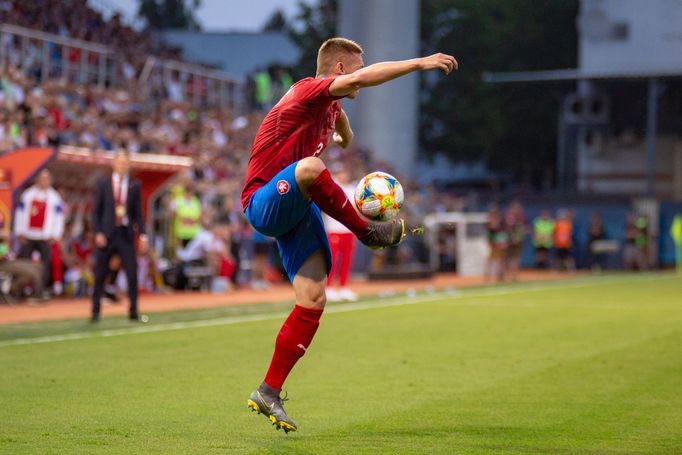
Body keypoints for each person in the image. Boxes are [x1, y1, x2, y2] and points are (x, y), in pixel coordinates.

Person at [243, 37, 457, 432]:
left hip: (296, 211)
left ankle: (268, 390)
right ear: (340, 70)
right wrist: (420, 63)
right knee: (310, 167)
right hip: (263, 201)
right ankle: (368, 233)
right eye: (358, 67)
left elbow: (345, 132)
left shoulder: (332, 107)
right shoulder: (308, 89)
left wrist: (342, 135)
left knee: (313, 299)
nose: (363, 73)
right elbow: (369, 80)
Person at [90, 152, 148, 323]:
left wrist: (143, 234)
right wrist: (98, 232)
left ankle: (133, 311)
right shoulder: (104, 184)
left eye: (126, 163)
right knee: (100, 273)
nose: (123, 166)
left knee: (132, 272)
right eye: (120, 163)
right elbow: (96, 212)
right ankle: (95, 312)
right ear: (114, 164)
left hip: (125, 234)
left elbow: (138, 213)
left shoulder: (133, 185)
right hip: (107, 235)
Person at [14, 169, 64, 296]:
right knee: (23, 262)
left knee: (45, 265)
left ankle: (40, 291)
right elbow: (20, 213)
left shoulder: (54, 197)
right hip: (28, 235)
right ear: (37, 180)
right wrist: (19, 231)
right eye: (42, 179)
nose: (44, 181)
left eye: (46, 179)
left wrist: (56, 235)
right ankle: (20, 289)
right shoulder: (28, 195)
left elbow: (59, 217)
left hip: (45, 237)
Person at [324, 165, 358, 301]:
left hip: (348, 230)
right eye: (340, 172)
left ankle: (343, 287)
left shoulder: (352, 189)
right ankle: (328, 287)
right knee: (332, 260)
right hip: (334, 230)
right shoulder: (332, 188)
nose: (344, 175)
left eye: (345, 172)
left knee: (346, 260)